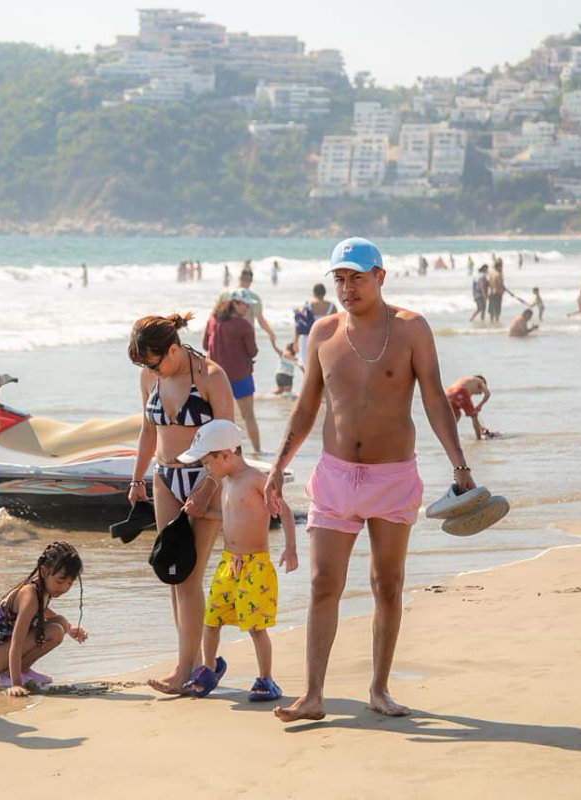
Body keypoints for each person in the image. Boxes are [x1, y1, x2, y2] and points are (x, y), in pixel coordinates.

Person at [265, 237, 477, 722]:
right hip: (336, 476)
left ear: (380, 277)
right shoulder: (321, 333)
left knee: (387, 584)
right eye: (340, 278)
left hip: (392, 476)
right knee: (322, 583)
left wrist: (460, 465)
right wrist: (277, 466)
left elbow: (434, 402)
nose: (347, 287)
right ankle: (313, 695)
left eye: (357, 277)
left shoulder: (411, 330)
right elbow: (305, 407)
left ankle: (379, 689)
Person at [128, 314, 234, 695]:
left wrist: (208, 487)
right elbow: (147, 430)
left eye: (153, 362)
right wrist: (137, 478)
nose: (149, 370)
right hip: (164, 477)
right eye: (144, 365)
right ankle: (203, 662)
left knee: (188, 575)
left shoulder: (210, 376)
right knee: (171, 574)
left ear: (173, 349)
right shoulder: (149, 377)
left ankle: (185, 669)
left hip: (204, 479)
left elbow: (228, 442)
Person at [175, 420, 298, 700]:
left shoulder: (256, 479)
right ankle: (209, 667)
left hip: (256, 565)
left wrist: (290, 548)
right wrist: (203, 515)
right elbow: (232, 517)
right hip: (229, 564)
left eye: (208, 462)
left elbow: (285, 512)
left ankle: (266, 679)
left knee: (256, 626)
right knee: (212, 619)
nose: (207, 468)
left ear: (226, 454)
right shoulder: (226, 482)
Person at [0, 542, 88, 696]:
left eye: (69, 584)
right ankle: (9, 677)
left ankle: (23, 669)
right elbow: (17, 642)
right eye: (60, 581)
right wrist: (15, 684)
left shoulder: (41, 588)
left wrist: (70, 629)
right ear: (44, 571)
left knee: (61, 622)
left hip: (3, 648)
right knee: (55, 631)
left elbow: (43, 611)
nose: (64, 588)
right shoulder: (30, 595)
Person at [203, 290, 261, 453]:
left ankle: (221, 452)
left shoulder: (212, 320)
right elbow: (253, 351)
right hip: (241, 376)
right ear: (235, 303)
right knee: (248, 416)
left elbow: (205, 345)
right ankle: (257, 451)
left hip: (215, 377)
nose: (248, 308)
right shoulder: (244, 325)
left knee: (219, 419)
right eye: (246, 304)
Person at [293, 283, 337, 363]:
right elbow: (337, 324)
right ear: (324, 293)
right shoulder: (331, 306)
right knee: (324, 366)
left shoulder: (307, 306)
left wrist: (296, 341)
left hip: (308, 338)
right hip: (326, 339)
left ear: (314, 293)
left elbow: (299, 324)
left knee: (308, 366)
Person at [445, 375, 493, 440]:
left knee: (457, 415)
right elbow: (487, 394)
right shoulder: (480, 381)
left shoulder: (467, 381)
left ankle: (449, 436)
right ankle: (479, 439)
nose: (480, 393)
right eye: (481, 391)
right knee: (474, 416)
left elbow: (464, 403)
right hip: (460, 391)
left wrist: (482, 428)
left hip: (448, 392)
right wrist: (480, 406)